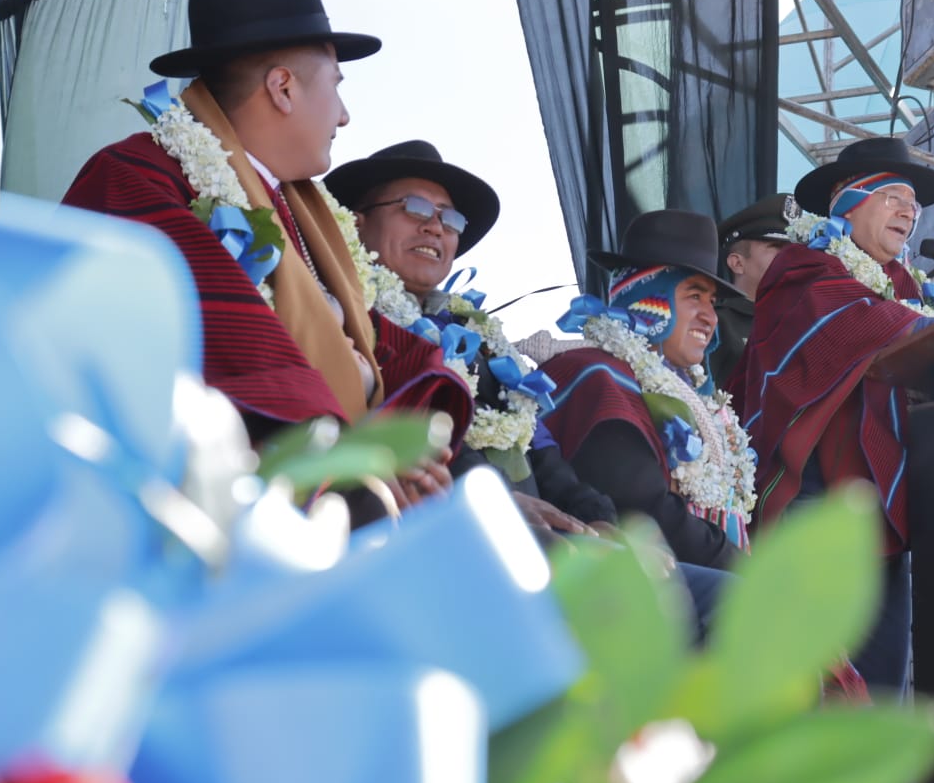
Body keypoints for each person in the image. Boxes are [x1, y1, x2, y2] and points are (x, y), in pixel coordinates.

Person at [61, 0, 471, 510]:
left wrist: (401, 442)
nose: (344, 116)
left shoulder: (303, 213)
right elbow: (231, 346)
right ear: (282, 88)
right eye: (336, 86)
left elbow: (377, 342)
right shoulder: (138, 178)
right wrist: (347, 454)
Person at [325, 142, 732, 640]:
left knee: (730, 600)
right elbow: (402, 427)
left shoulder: (477, 338)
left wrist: (599, 520)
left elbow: (541, 450)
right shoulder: (345, 316)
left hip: (540, 535)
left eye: (449, 218)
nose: (435, 227)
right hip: (444, 541)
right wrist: (500, 504)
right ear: (357, 221)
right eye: (413, 208)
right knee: (693, 605)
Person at [728, 136, 934, 692]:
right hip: (815, 500)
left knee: (882, 683)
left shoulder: (909, 290)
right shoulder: (803, 271)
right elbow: (863, 324)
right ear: (847, 200)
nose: (909, 212)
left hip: (885, 515)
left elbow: (913, 327)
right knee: (811, 678)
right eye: (894, 197)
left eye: (914, 204)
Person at [520, 210, 756, 571]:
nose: (710, 316)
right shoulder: (597, 374)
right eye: (694, 296)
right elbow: (645, 509)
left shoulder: (689, 394)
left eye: (712, 302)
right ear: (650, 299)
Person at [709, 193, 798, 385]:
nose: (789, 257)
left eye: (792, 249)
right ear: (737, 263)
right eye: (776, 247)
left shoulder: (800, 322)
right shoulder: (714, 323)